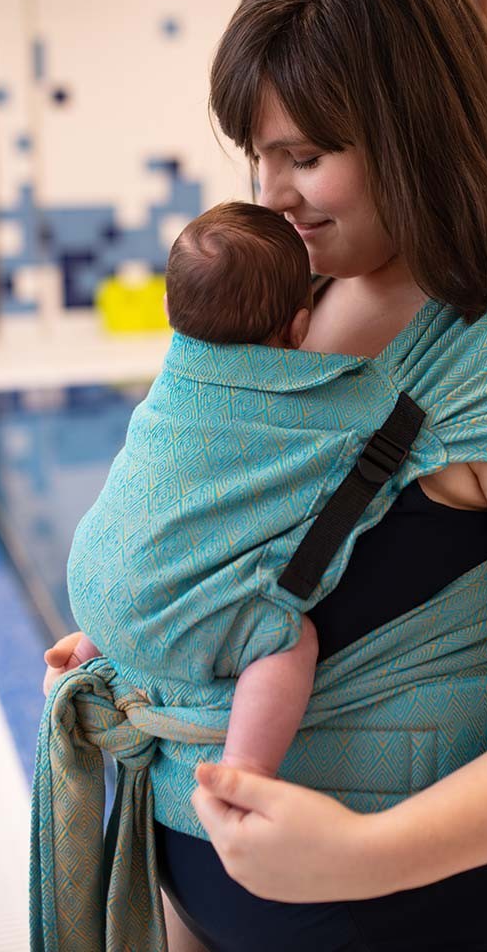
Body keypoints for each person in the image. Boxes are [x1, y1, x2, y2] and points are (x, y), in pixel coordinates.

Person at [44, 0, 487, 952]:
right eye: (257, 154)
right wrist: (145, 642)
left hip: (421, 911)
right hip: (190, 883)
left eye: (306, 156)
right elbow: (220, 543)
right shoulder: (283, 302)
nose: (272, 191)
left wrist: (362, 855)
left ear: (418, 135)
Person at [48, 200, 320, 787]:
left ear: (170, 311)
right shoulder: (311, 403)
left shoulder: (172, 380)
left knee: (153, 534)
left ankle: (94, 655)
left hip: (91, 575)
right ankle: (244, 770)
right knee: (289, 642)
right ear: (300, 328)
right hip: (162, 614)